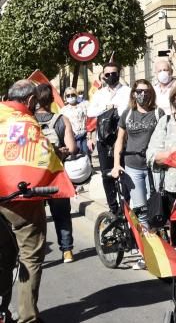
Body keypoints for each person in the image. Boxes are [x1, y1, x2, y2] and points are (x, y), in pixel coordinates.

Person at [0, 80, 46, 323]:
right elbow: (42, 157)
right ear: (29, 101)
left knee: (2, 258)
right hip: (20, 200)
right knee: (30, 256)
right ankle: (27, 317)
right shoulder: (27, 123)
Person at [110, 80, 164, 228]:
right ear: (134, 93)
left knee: (156, 208)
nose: (143, 94)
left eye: (146, 91)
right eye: (139, 91)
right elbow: (119, 140)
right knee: (142, 210)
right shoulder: (127, 114)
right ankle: (146, 248)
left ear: (151, 93)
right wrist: (116, 165)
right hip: (132, 167)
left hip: (154, 167)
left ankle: (158, 243)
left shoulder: (158, 113)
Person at [34, 84, 77, 264]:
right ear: (52, 100)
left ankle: (35, 252)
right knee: (62, 214)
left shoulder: (28, 120)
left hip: (34, 176)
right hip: (57, 175)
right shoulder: (62, 120)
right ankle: (67, 251)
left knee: (35, 216)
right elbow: (73, 149)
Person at [87, 62, 131, 214]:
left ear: (119, 74)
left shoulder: (128, 91)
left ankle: (127, 205)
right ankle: (113, 207)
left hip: (123, 137)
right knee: (107, 173)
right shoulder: (99, 94)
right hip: (104, 139)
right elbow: (91, 112)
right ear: (103, 76)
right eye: (107, 74)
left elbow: (131, 109)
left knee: (124, 171)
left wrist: (117, 110)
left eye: (114, 73)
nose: (111, 76)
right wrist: (106, 108)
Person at [61, 87, 89, 155]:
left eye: (72, 94)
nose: (70, 96)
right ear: (65, 97)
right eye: (68, 95)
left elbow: (90, 119)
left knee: (86, 158)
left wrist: (90, 135)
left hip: (84, 137)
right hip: (72, 138)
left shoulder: (84, 105)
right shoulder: (63, 110)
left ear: (76, 95)